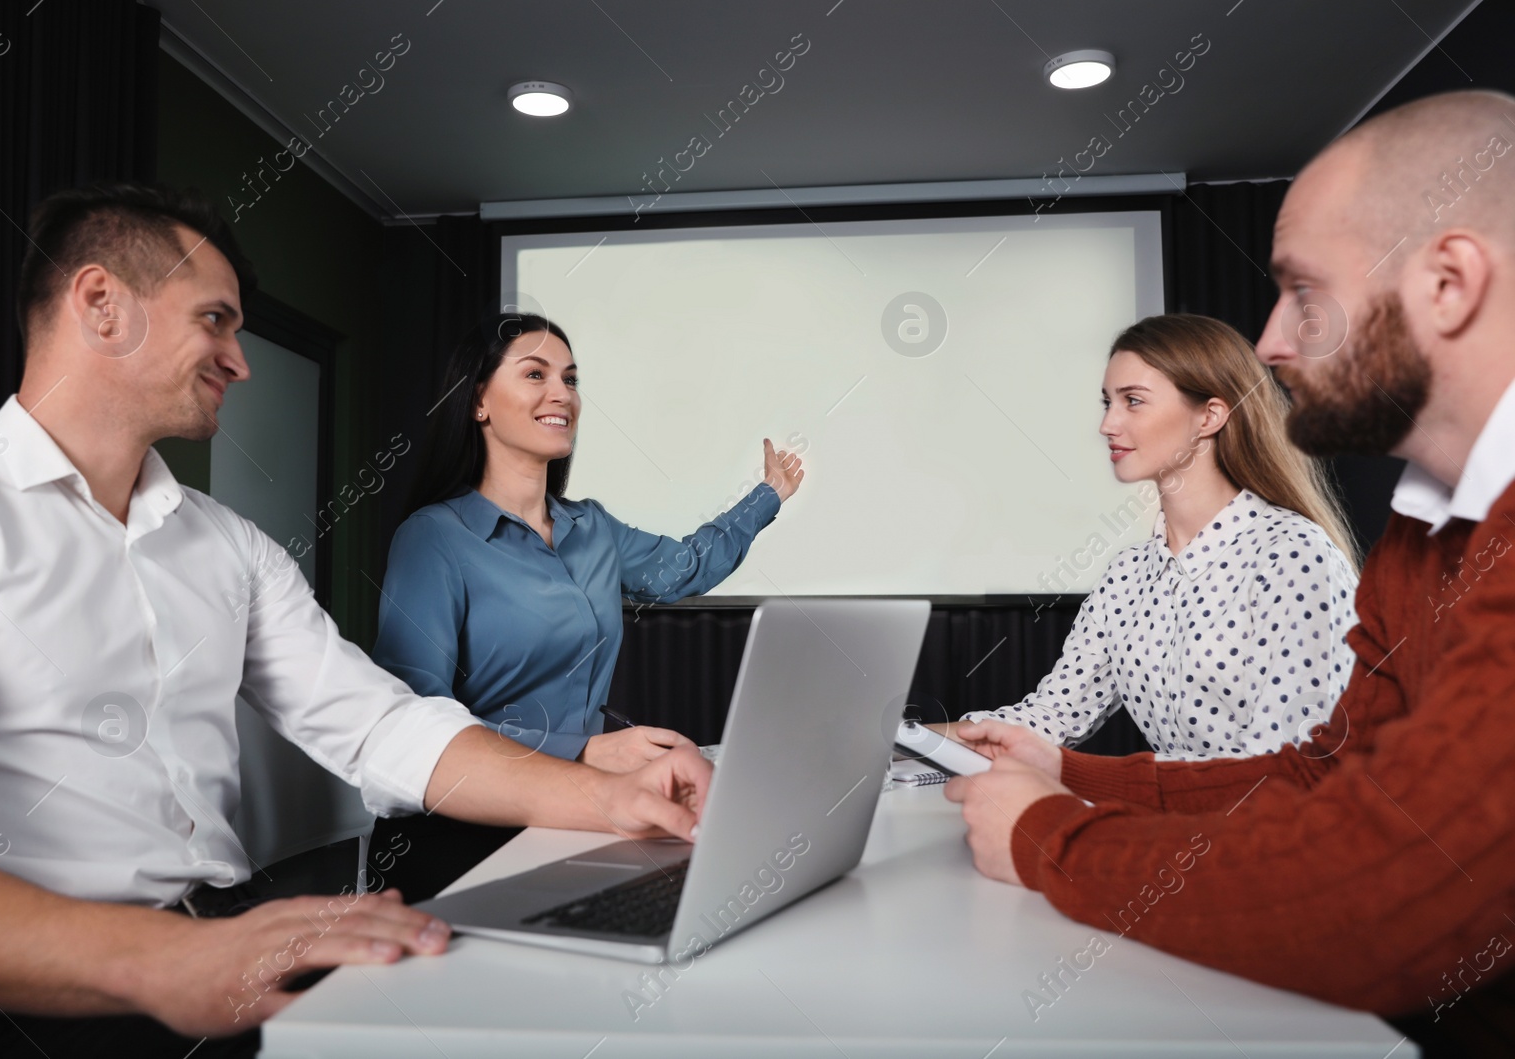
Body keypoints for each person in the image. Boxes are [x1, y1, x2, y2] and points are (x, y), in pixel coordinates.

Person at [0, 184, 711, 1058]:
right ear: (104, 306)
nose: (239, 358)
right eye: (215, 320)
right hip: (26, 1003)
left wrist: (607, 797)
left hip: (224, 944)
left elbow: (381, 725)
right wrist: (170, 956)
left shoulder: (229, 547)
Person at [943, 90, 1515, 1057]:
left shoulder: (1303, 551)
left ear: (1449, 283)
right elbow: (1324, 771)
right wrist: (1060, 768)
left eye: (1305, 294)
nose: (1271, 344)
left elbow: (1373, 890)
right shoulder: (1422, 540)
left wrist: (1049, 835)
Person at [368, 313, 804, 898]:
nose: (561, 394)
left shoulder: (592, 528)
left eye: (570, 379)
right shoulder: (433, 540)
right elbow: (415, 721)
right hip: (462, 833)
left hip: (576, 814)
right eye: (535, 374)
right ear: (478, 403)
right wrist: (586, 750)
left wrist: (767, 495)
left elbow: (687, 567)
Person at [936, 314, 1359, 759]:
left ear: (1209, 416)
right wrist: (896, 742)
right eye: (1107, 402)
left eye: (1133, 401)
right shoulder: (1127, 576)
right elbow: (1047, 721)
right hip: (1183, 825)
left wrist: (1114, 794)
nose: (1107, 425)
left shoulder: (1293, 556)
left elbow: (1283, 766)